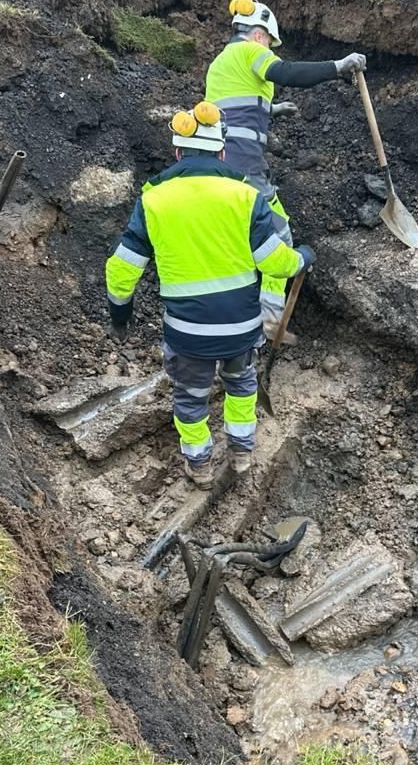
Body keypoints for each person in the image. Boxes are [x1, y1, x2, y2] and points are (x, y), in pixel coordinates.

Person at [105, 101, 314, 490]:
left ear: (178, 152)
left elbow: (122, 268)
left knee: (190, 398)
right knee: (240, 385)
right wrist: (302, 258)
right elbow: (276, 263)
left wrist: (120, 315)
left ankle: (199, 466)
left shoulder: (154, 201)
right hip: (240, 330)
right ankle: (241, 453)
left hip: (188, 335)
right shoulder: (245, 197)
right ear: (221, 151)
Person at [205, 0, 365, 336]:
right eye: (269, 42)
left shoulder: (220, 64)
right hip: (244, 169)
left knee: (239, 243)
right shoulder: (249, 51)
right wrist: (338, 67)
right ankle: (269, 321)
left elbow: (225, 113)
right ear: (260, 33)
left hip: (220, 168)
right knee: (278, 237)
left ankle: (231, 320)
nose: (269, 48)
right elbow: (286, 71)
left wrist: (271, 110)